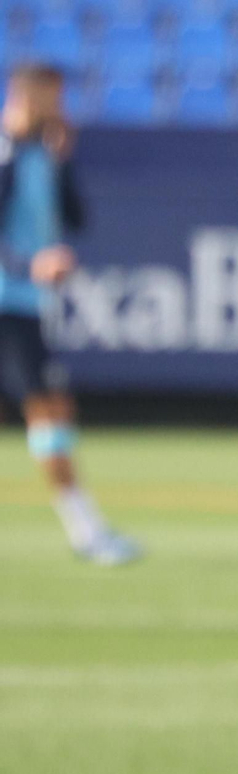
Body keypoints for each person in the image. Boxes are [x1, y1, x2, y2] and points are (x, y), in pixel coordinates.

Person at [2, 63, 140, 565]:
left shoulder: (43, 152)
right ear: (27, 95)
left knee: (53, 411)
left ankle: (85, 528)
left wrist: (63, 162)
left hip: (25, 302)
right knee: (49, 409)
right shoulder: (6, 152)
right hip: (7, 299)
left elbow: (75, 219)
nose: (60, 105)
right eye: (53, 95)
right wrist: (28, 264)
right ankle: (86, 530)